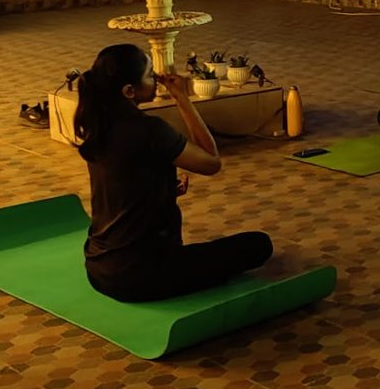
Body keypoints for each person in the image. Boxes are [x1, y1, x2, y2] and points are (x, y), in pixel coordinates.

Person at [74, 43, 272, 303]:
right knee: (258, 245)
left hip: (98, 270)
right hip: (139, 276)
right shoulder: (149, 129)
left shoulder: (98, 125)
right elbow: (211, 162)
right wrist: (182, 98)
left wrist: (162, 188)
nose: (156, 79)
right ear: (129, 91)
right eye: (149, 75)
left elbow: (120, 182)